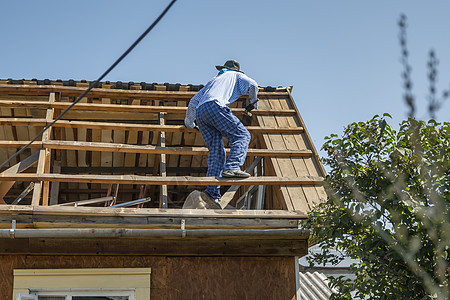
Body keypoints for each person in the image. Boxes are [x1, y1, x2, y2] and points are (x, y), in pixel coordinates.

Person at [184, 60, 259, 208]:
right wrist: (252, 103)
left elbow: (193, 102)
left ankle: (212, 193)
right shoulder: (235, 75)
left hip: (201, 113)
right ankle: (232, 167)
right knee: (242, 136)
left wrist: (190, 124)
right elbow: (253, 85)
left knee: (216, 152)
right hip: (216, 106)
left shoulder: (214, 80)